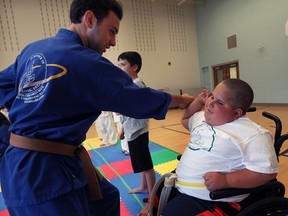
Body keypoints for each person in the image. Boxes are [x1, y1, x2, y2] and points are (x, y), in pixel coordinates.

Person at [0, 0, 194, 215]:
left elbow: (3, 87)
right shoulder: (87, 62)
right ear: (89, 18)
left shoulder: (32, 50)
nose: (112, 41)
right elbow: (139, 100)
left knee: (107, 199)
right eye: (111, 31)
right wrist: (184, 100)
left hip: (36, 161)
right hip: (40, 173)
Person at [161, 79, 279, 216]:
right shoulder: (202, 118)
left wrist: (226, 180)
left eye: (219, 102)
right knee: (158, 194)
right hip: (181, 184)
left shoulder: (253, 134)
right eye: (212, 96)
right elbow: (185, 119)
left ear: (236, 113)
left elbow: (266, 172)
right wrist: (198, 102)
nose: (210, 103)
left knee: (171, 212)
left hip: (216, 199)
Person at [117, 51, 156, 215]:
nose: (120, 68)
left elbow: (140, 108)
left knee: (146, 165)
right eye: (118, 65)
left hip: (139, 131)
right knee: (140, 163)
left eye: (123, 65)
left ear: (135, 67)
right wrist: (123, 128)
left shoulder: (138, 84)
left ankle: (153, 196)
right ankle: (143, 186)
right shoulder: (130, 84)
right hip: (132, 130)